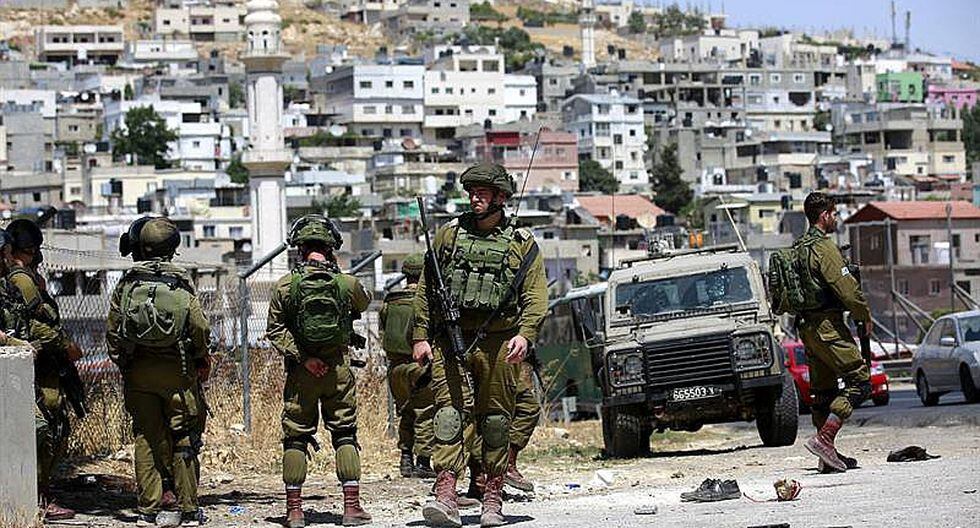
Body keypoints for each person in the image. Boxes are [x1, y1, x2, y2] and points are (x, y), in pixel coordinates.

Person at [413, 163, 548, 527]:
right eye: (472, 192)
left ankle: (492, 496)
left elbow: (535, 296)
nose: (475, 198)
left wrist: (525, 334)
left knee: (496, 421)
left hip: (500, 342)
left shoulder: (522, 243)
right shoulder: (449, 235)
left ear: (501, 197)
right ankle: (446, 494)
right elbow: (427, 287)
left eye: (483, 192)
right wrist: (420, 336)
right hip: (451, 338)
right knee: (449, 416)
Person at [266, 214, 372, 528]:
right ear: (330, 248)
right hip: (338, 370)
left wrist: (304, 358)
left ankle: (295, 512)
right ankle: (351, 509)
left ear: (300, 249)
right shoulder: (346, 283)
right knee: (344, 433)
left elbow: (275, 330)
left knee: (296, 437)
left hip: (302, 373)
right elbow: (364, 303)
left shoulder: (286, 285)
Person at [106, 217, 212, 527]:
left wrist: (125, 363)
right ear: (172, 248)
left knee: (145, 437)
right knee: (184, 438)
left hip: (139, 373)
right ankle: (188, 510)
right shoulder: (181, 283)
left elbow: (113, 331)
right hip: (178, 373)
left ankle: (147, 510)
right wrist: (200, 357)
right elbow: (199, 327)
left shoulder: (127, 284)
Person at [5, 218, 82, 520]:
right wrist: (65, 345)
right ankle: (37, 495)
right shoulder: (22, 280)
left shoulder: (24, 277)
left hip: (36, 361)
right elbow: (38, 323)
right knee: (47, 426)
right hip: (36, 361)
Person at [796, 192, 873, 472]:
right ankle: (825, 439)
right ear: (824, 215)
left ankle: (827, 457)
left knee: (823, 392)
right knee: (860, 382)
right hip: (828, 327)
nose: (837, 218)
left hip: (807, 328)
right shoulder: (824, 248)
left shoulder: (799, 248)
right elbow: (848, 290)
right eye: (835, 214)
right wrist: (864, 316)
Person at [381, 253, 436, 479]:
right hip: (420, 366)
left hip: (396, 368)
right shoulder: (427, 303)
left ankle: (405, 459)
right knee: (425, 412)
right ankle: (423, 461)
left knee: (405, 412)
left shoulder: (390, 302)